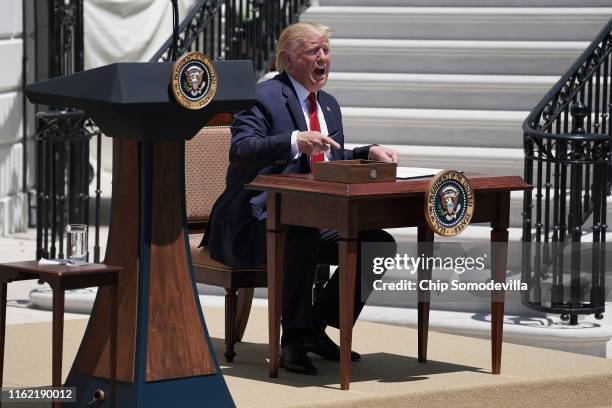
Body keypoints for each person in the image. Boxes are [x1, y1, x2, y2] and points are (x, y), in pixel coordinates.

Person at [202, 22, 398, 375]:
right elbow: (242, 151)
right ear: (287, 60)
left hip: (311, 216)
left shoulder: (329, 105)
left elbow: (329, 159)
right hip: (254, 220)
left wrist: (368, 152)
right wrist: (293, 140)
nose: (322, 58)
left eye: (325, 51)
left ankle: (315, 327)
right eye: (313, 51)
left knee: (377, 244)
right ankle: (292, 339)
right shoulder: (261, 97)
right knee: (301, 232)